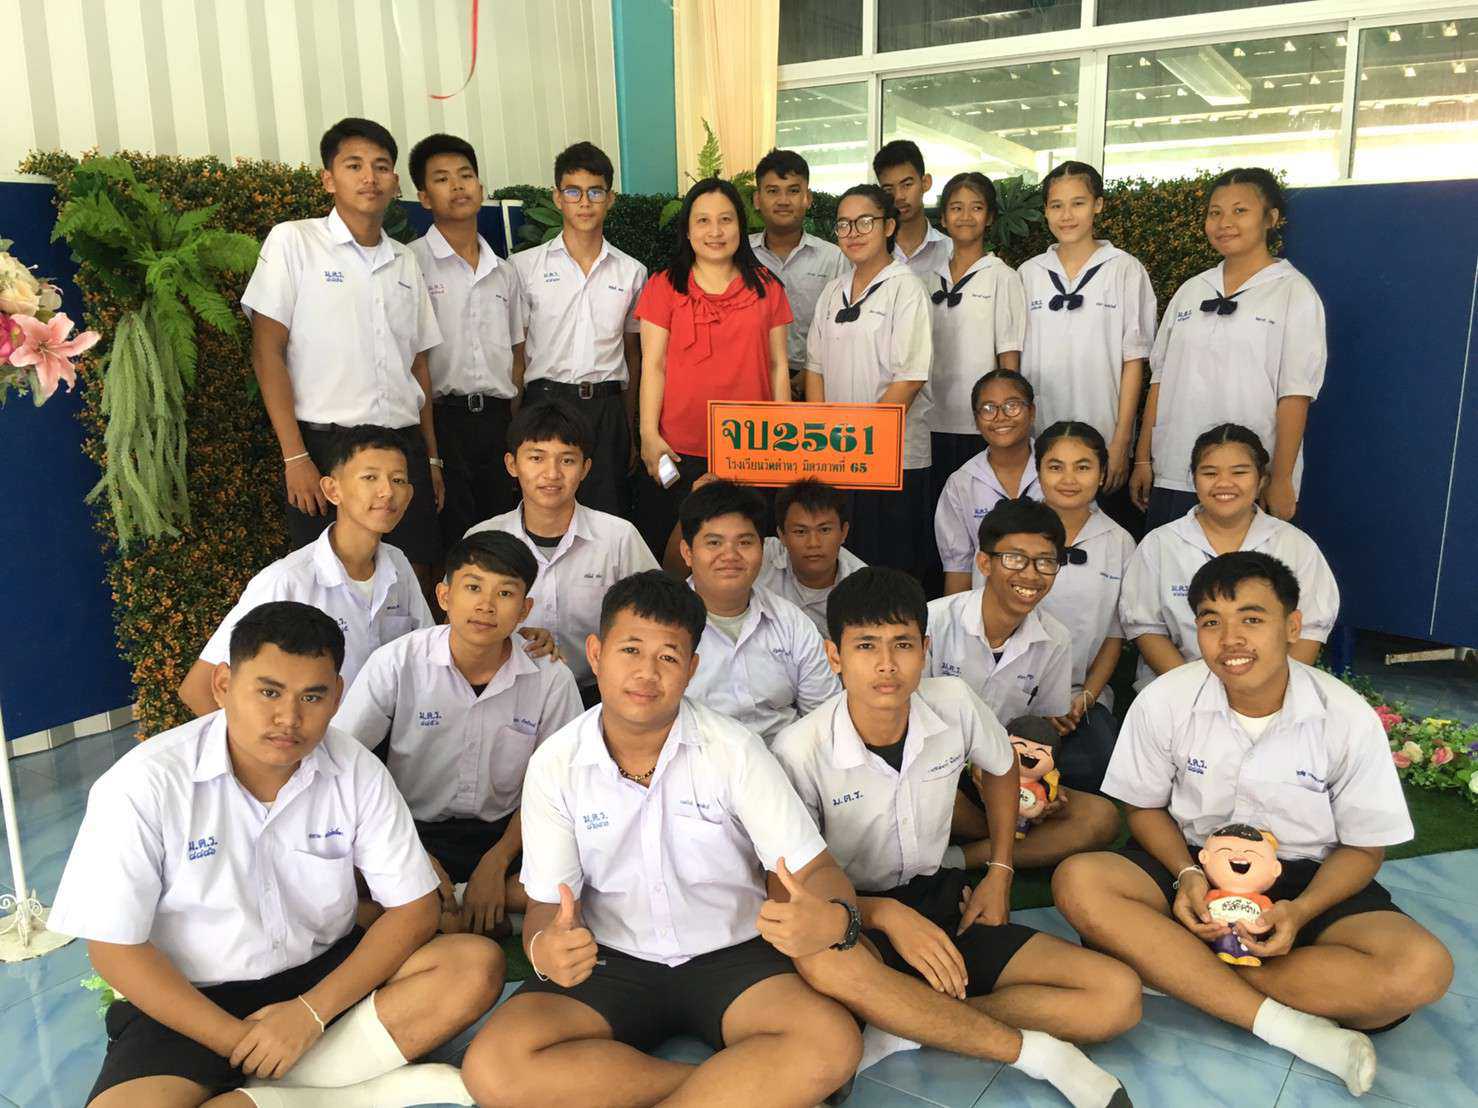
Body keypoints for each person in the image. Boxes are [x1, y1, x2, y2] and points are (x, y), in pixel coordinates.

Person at [51, 601, 503, 1108]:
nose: (289, 718)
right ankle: (350, 1091)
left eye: (312, 696)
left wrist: (309, 1013)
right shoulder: (144, 784)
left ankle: (278, 1092)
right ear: (223, 685)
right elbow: (115, 948)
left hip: (323, 976)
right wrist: (242, 1041)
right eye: (269, 692)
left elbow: (414, 909)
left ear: (337, 696)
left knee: (472, 966)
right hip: (193, 999)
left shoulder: (355, 770)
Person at [1054, 552, 1453, 1098]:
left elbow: (1364, 849)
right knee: (1079, 879)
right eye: (1211, 621)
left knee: (1421, 969)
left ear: (1292, 626)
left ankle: (1172, 968)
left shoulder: (1346, 716)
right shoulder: (1164, 700)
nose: (1230, 639)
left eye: (1252, 618)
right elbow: (1143, 809)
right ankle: (1291, 1027)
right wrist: (1185, 875)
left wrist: (1301, 910)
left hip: (1305, 880)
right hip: (1191, 862)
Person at [460, 571, 863, 1108]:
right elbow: (547, 906)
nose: (646, 673)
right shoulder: (556, 764)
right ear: (597, 654)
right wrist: (543, 949)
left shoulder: (735, 750)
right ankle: (737, 1086)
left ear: (692, 669)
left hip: (734, 956)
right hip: (610, 961)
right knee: (493, 1068)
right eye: (630, 650)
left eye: (668, 657)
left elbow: (815, 870)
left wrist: (830, 915)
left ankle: (735, 1085)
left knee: (831, 1045)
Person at [772, 567, 1139, 1108]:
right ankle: (1003, 1043)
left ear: (925, 649)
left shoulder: (954, 702)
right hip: (855, 917)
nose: (885, 664)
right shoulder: (798, 750)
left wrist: (1000, 872)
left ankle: (900, 1025)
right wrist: (885, 915)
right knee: (824, 966)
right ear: (834, 656)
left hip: (944, 899)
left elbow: (1002, 768)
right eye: (865, 646)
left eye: (902, 645)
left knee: (1117, 997)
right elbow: (797, 892)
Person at [332, 532, 583, 936]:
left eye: (505, 593)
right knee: (334, 872)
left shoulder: (551, 678)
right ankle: (473, 909)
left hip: (509, 835)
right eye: (473, 587)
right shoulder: (398, 662)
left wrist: (498, 861)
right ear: (444, 596)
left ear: (524, 609)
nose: (486, 605)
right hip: (411, 829)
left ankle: (446, 908)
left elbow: (558, 786)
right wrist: (415, 856)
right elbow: (342, 756)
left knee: (573, 883)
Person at [241, 117, 444, 587]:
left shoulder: (405, 260)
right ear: (329, 179)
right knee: (327, 582)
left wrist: (431, 460)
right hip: (327, 447)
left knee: (411, 577)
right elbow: (267, 352)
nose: (369, 177)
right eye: (354, 166)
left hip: (402, 447)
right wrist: (295, 457)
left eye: (381, 166)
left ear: (395, 181)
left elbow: (418, 365)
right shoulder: (295, 241)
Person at [178, 427, 434, 717]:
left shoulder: (399, 565)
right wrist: (264, 745)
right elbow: (198, 690)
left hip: (388, 737)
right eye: (369, 477)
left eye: (398, 480)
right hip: (315, 742)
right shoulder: (286, 581)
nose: (387, 491)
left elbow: (427, 654)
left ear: (409, 495)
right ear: (332, 490)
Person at [927, 499, 1120, 870]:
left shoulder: (1055, 639)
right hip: (938, 770)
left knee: (1101, 817)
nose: (1031, 575)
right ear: (984, 563)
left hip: (1005, 772)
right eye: (1015, 559)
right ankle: (1002, 833)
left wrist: (1043, 785)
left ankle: (963, 857)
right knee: (932, 792)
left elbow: (1040, 731)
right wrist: (974, 771)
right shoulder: (934, 622)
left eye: (1046, 561)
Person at [1132, 167, 1326, 529]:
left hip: (1246, 479)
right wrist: (1143, 459)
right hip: (1176, 470)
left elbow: (1296, 392)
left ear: (1270, 218)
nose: (1225, 223)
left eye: (1240, 211)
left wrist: (1280, 477)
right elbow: (1160, 379)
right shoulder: (1192, 290)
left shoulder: (1293, 292)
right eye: (1215, 212)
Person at [634, 177, 792, 560]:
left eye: (726, 219)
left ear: (741, 225)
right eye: (703, 221)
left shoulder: (767, 288)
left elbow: (778, 367)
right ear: (687, 230)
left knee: (744, 554)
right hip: (679, 448)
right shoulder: (663, 286)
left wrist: (785, 439)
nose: (715, 231)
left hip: (753, 447)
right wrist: (648, 434)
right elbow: (652, 366)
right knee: (679, 556)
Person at [466, 400, 659, 705]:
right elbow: (458, 628)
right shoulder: (482, 539)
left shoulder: (619, 537)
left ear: (585, 468)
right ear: (512, 464)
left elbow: (656, 619)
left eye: (567, 460)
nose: (552, 473)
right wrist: (511, 641)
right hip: (505, 693)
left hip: (601, 694)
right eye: (536, 458)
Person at [1121, 423, 1338, 691]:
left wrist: (1267, 692)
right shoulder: (1160, 544)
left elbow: (1310, 630)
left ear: (1261, 480)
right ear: (1193, 479)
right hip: (1177, 691)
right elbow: (1146, 628)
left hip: (1268, 695)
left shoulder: (1295, 545)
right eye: (1209, 473)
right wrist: (1196, 693)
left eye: (1239, 472)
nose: (1224, 483)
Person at [511, 141, 646, 518]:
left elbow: (632, 355)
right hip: (544, 403)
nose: (584, 203)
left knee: (608, 513)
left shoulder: (632, 272)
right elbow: (517, 354)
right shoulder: (524, 268)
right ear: (557, 197)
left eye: (595, 192)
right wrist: (515, 421)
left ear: (610, 198)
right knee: (544, 511)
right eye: (573, 192)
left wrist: (629, 427)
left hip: (606, 409)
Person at [805, 184, 933, 578]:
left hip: (892, 461)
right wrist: (822, 440)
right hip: (838, 458)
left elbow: (909, 379)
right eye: (843, 224)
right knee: (844, 565)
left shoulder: (906, 288)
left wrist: (861, 442)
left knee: (887, 569)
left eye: (864, 222)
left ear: (888, 226)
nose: (853, 233)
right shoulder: (832, 292)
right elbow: (815, 369)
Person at [408, 133, 523, 549]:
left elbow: (517, 356)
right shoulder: (410, 263)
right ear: (424, 197)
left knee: (501, 541)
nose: (457, 185)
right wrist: (431, 453)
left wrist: (514, 431)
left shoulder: (504, 272)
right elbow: (413, 361)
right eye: (442, 178)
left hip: (496, 423)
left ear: (481, 187)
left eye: (465, 175)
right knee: (450, 543)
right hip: (441, 420)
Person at [1018, 161, 1156, 500]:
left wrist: (1122, 440)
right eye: (1056, 206)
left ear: (1098, 205)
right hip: (1042, 439)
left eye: (1078, 203)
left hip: (1104, 438)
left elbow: (1134, 361)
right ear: (1045, 211)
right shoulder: (1028, 274)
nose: (1066, 215)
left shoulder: (1124, 269)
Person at [677, 479, 839, 745]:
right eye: (714, 543)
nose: (730, 555)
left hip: (783, 762)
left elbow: (824, 717)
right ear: (687, 552)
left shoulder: (792, 623)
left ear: (762, 549)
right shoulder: (664, 626)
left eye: (744, 542)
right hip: (696, 761)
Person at [1034, 422, 1138, 793]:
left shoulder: (1119, 542)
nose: (1069, 479)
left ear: (1102, 474)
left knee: (1097, 767)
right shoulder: (1013, 529)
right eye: (1055, 466)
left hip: (1082, 696)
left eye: (1082, 467)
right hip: (1013, 691)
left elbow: (1114, 635)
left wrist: (1085, 699)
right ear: (1038, 471)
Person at [927, 172, 1027, 487]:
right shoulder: (927, 279)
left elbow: (1009, 357)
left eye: (976, 208)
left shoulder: (1003, 277)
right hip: (930, 419)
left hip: (981, 423)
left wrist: (1008, 416)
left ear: (990, 217)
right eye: (956, 208)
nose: (966, 216)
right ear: (943, 218)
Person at [750, 148, 847, 397]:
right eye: (773, 191)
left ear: (808, 198)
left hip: (818, 380)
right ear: (757, 199)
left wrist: (807, 376)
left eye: (793, 191)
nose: (783, 200)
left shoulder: (833, 258)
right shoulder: (740, 255)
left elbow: (842, 328)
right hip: (752, 379)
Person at [935, 370, 1042, 594]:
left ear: (1031, 411)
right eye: (988, 408)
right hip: (988, 607)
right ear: (976, 420)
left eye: (1012, 406)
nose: (1000, 417)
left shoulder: (1056, 469)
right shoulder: (961, 483)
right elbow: (958, 569)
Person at [757, 477, 866, 638]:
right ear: (782, 535)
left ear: (844, 532)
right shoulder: (757, 556)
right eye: (800, 532)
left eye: (824, 530)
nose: (813, 543)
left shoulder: (863, 586)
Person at [873, 140, 950, 276]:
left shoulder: (950, 251)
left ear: (925, 183)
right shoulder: (872, 252)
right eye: (888, 189)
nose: (898, 197)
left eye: (907, 185)